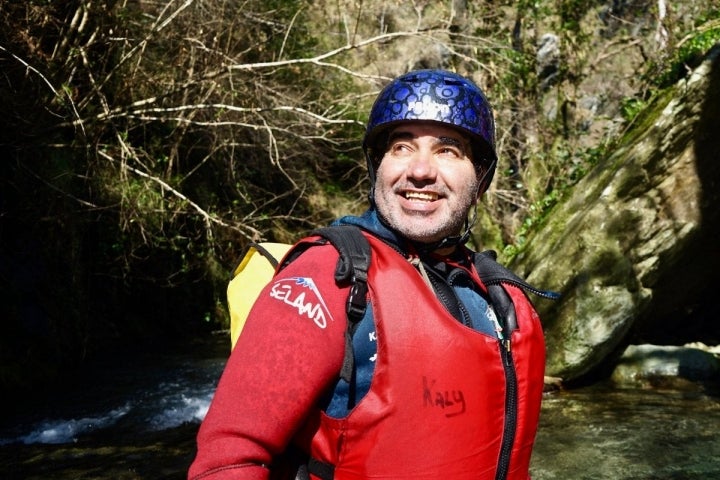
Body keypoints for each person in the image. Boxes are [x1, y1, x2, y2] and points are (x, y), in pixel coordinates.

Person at [188, 69, 550, 480]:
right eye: (401, 147)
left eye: (448, 150)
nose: (420, 170)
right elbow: (227, 462)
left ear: (480, 178)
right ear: (377, 166)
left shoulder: (496, 295)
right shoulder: (331, 276)